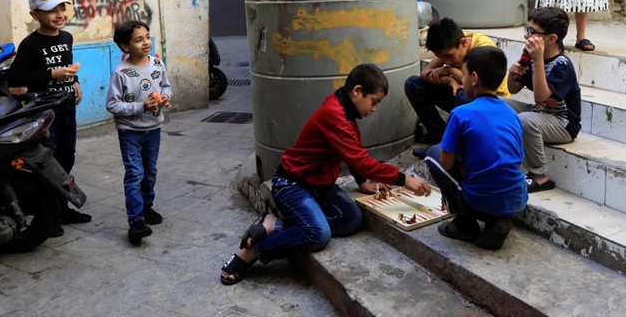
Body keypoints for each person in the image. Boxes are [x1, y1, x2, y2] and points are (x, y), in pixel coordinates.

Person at [221, 64, 432, 285]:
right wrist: (404, 180)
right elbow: (361, 160)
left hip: (319, 186)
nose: (374, 109)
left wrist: (362, 182)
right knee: (318, 234)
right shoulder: (335, 115)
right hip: (292, 184)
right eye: (374, 101)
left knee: (352, 219)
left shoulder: (345, 112)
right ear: (357, 91)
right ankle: (253, 251)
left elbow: (353, 153)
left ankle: (274, 224)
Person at [423, 46, 527, 250]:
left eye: (464, 74)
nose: (461, 80)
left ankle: (464, 223)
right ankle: (498, 221)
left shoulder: (461, 113)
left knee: (432, 154)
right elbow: (519, 160)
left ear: (474, 78)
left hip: (481, 201)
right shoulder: (511, 113)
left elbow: (445, 163)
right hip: (517, 201)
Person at [7, 0, 91, 237]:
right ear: (35, 15)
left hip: (66, 109)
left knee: (66, 159)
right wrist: (50, 75)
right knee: (46, 164)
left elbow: (67, 68)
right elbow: (16, 78)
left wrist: (75, 83)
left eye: (61, 8)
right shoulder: (31, 44)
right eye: (50, 11)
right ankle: (49, 217)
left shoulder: (66, 38)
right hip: (45, 114)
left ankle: (63, 209)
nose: (58, 15)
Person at [106, 21, 172, 244]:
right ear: (125, 46)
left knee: (150, 171)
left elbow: (165, 86)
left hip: (153, 128)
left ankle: (147, 207)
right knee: (134, 173)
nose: (146, 42)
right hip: (130, 131)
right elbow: (112, 105)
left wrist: (164, 98)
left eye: (147, 36)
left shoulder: (157, 64)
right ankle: (136, 222)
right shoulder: (121, 72)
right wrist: (141, 107)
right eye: (138, 39)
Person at [506, 7, 581, 193]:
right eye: (527, 29)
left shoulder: (562, 66)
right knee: (500, 105)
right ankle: (505, 161)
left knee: (526, 120)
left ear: (552, 38)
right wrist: (512, 73)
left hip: (563, 124)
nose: (527, 36)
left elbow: (541, 97)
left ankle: (540, 175)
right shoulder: (532, 58)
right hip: (541, 113)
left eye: (532, 32)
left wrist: (538, 61)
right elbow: (512, 89)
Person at [405, 17, 510, 149]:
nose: (446, 61)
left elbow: (477, 84)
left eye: (448, 56)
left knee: (462, 96)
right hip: (462, 93)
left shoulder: (482, 48)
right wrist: (449, 80)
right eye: (441, 57)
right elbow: (425, 74)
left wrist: (449, 70)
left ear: (463, 42)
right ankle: (440, 137)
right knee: (413, 84)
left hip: (490, 105)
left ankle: (458, 150)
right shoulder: (449, 45)